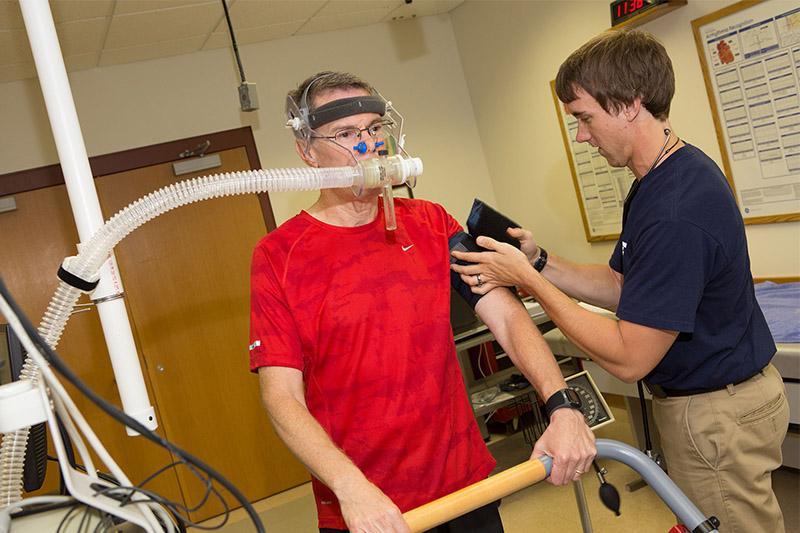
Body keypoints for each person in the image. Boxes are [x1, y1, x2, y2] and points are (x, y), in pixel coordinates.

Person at [451, 29, 790, 533]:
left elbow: (631, 357)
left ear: (631, 104)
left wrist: (527, 282)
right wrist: (541, 261)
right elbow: (621, 283)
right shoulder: (660, 178)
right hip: (714, 401)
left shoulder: (675, 209)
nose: (582, 136)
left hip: (715, 413)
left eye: (586, 118)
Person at [249, 71, 596, 533]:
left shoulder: (431, 223)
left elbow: (507, 318)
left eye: (374, 128)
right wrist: (349, 487)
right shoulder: (278, 257)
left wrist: (562, 405)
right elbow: (281, 397)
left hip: (465, 485)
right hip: (365, 505)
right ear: (307, 151)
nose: (369, 145)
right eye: (347, 134)